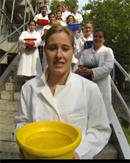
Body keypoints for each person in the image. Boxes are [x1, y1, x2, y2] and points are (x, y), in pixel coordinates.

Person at [14, 25, 111, 159]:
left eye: (65, 49)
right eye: (52, 48)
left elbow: (100, 129)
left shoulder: (89, 89)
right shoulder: (29, 88)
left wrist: (78, 153)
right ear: (45, 51)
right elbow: (21, 123)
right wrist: (24, 145)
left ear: (73, 52)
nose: (59, 55)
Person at [76, 29, 114, 123]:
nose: (97, 38)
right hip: (87, 82)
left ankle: (104, 128)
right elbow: (79, 64)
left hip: (101, 83)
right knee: (88, 107)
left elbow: (108, 68)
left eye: (100, 37)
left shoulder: (107, 51)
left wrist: (91, 71)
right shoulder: (86, 52)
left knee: (102, 108)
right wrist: (80, 70)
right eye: (96, 36)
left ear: (104, 39)